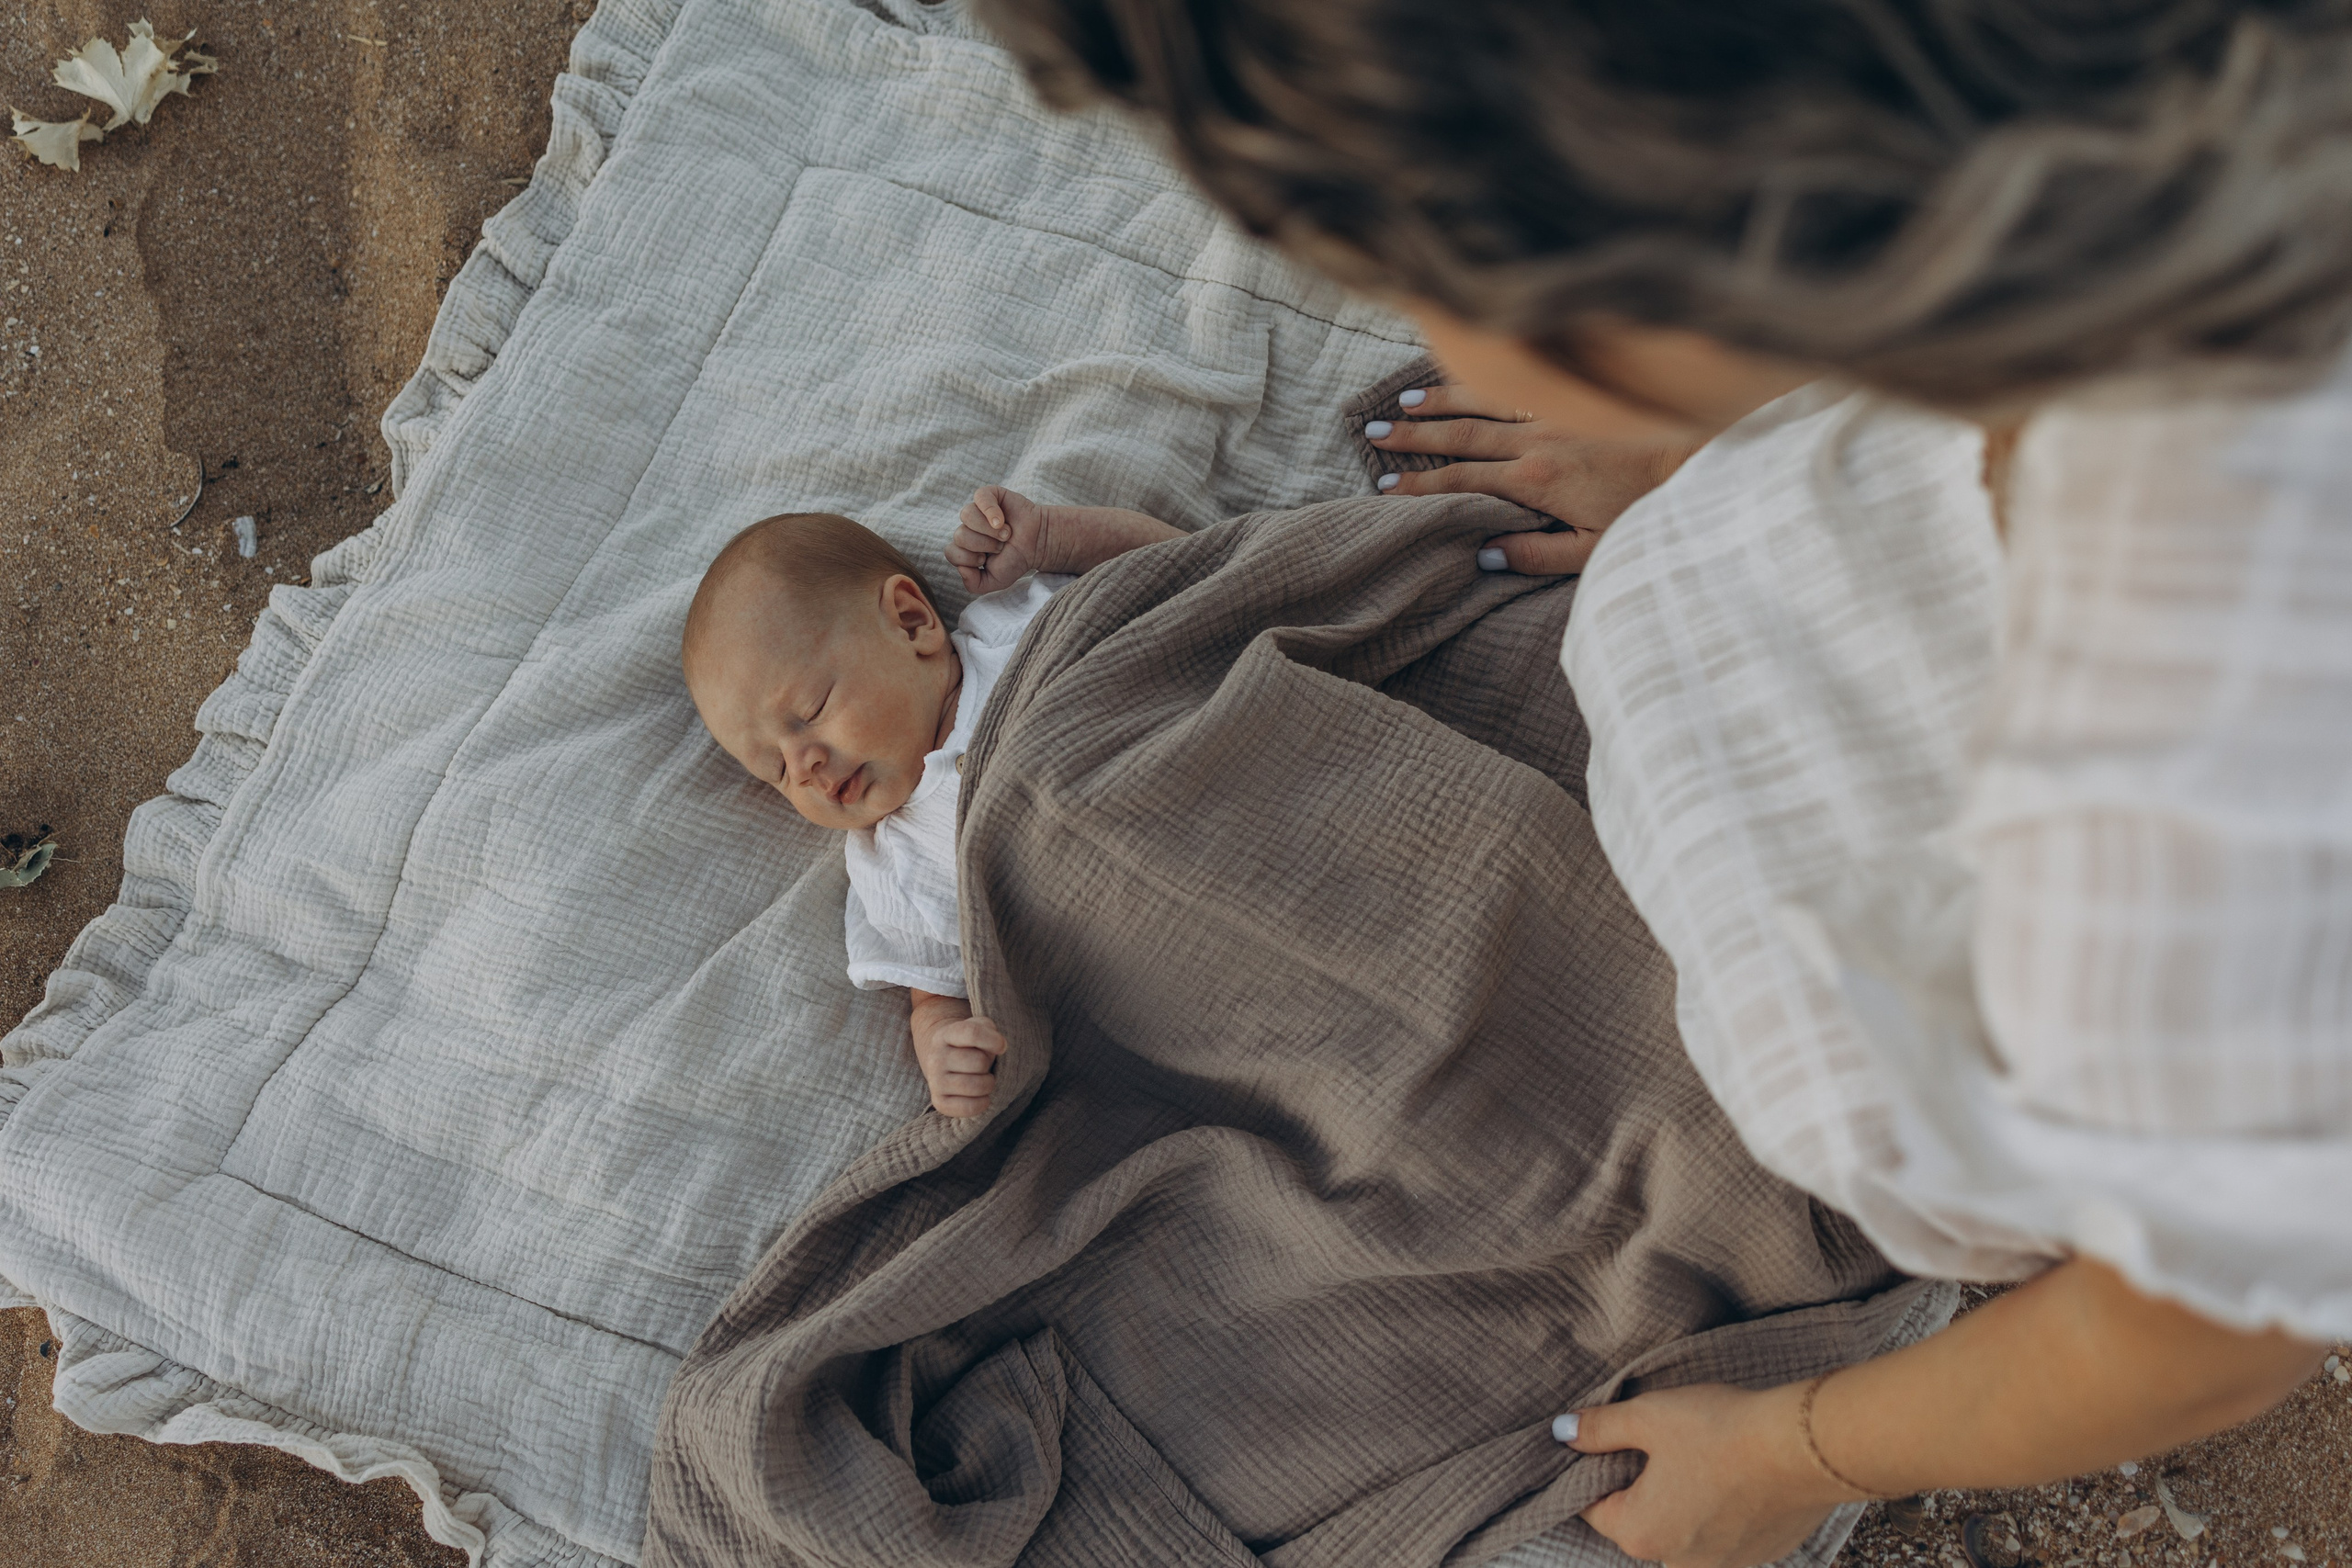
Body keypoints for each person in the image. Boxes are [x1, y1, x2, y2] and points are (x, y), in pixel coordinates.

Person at [971, 2, 2351, 1564]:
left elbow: (2216, 1319)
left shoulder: (2222, 741)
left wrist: (1788, 1450)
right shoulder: (2142, 151)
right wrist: (1728, 428)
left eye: (1415, 267)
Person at [680, 491, 1180, 1116]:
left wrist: (1056, 535)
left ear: (912, 622)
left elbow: (1186, 569)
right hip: (1161, 963)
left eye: (809, 711)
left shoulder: (1012, 632)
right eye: (774, 768)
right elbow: (937, 990)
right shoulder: (888, 864)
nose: (803, 765)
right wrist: (943, 1047)